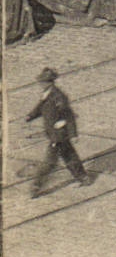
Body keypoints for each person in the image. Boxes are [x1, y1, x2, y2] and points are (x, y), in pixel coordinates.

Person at [27, 68, 93, 196]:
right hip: (54, 133)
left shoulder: (59, 96)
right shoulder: (47, 94)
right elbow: (41, 107)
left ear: (50, 82)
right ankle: (84, 178)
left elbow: (68, 115)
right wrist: (31, 116)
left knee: (49, 162)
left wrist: (73, 134)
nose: (40, 84)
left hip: (58, 135)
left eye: (43, 82)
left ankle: (36, 186)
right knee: (69, 156)